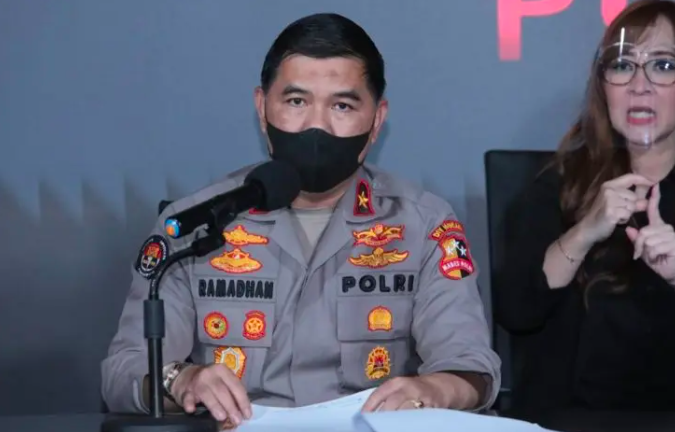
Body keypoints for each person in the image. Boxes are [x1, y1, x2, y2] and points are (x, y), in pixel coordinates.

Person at [101, 12, 501, 426]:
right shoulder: (196, 225)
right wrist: (182, 380)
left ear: (377, 120)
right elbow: (123, 373)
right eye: (296, 102)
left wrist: (433, 390)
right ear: (262, 108)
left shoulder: (423, 224)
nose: (316, 127)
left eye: (342, 106)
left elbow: (472, 369)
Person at [496, 0, 675, 420]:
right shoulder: (558, 185)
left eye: (663, 66)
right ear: (603, 86)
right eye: (622, 66)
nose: (639, 85)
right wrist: (584, 232)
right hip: (568, 421)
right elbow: (517, 312)